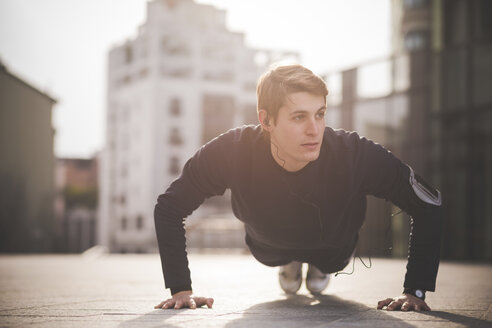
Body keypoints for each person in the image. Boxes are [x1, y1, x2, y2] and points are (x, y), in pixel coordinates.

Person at [153, 64, 444, 312]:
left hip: (334, 249)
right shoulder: (233, 150)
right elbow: (169, 207)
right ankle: (291, 263)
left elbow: (428, 204)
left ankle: (315, 265)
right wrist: (181, 290)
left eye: (320, 114)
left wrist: (414, 291)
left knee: (327, 260)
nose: (314, 130)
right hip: (269, 246)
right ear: (266, 120)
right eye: (298, 117)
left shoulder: (354, 153)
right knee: (278, 249)